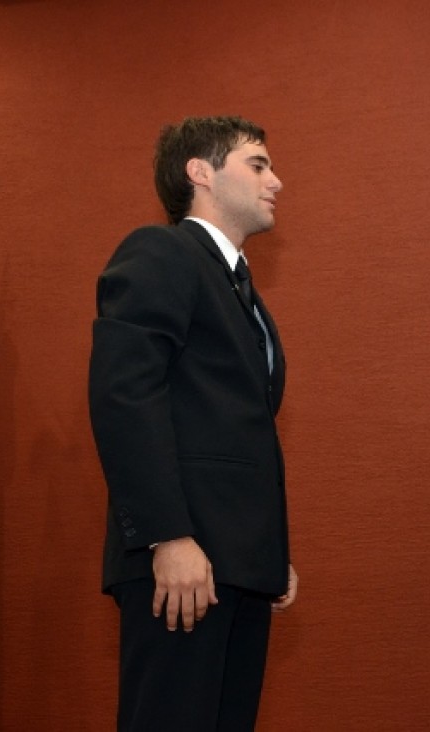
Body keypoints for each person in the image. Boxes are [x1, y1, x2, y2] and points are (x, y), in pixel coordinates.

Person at [89, 116, 298, 731]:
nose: (276, 181)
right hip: (180, 564)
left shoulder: (241, 288)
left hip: (236, 565)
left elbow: (233, 430)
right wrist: (167, 536)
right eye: (258, 165)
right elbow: (124, 397)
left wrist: (267, 551)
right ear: (200, 173)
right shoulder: (161, 251)